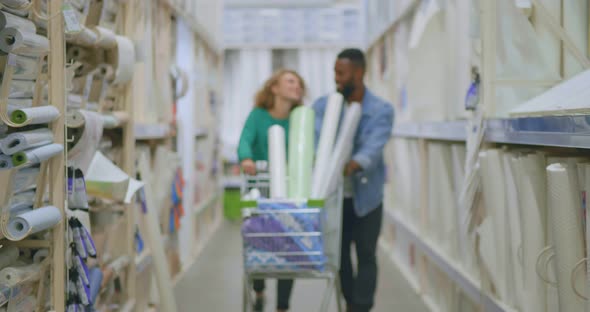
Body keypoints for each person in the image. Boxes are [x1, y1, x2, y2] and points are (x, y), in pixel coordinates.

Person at [313, 48, 394, 312]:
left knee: (367, 255)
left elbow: (373, 148)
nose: (336, 78)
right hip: (336, 198)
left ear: (359, 73)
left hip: (367, 198)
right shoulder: (324, 107)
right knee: (340, 256)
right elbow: (317, 143)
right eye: (334, 72)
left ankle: (362, 307)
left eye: (341, 73)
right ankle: (350, 303)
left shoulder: (381, 110)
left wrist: (347, 166)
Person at [237, 69, 306, 312]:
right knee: (260, 244)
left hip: (290, 194)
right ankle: (259, 291)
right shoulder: (258, 116)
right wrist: (246, 159)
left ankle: (282, 306)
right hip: (260, 190)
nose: (296, 86)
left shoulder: (301, 119)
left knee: (289, 247)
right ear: (274, 88)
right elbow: (245, 139)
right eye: (290, 81)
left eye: (299, 83)